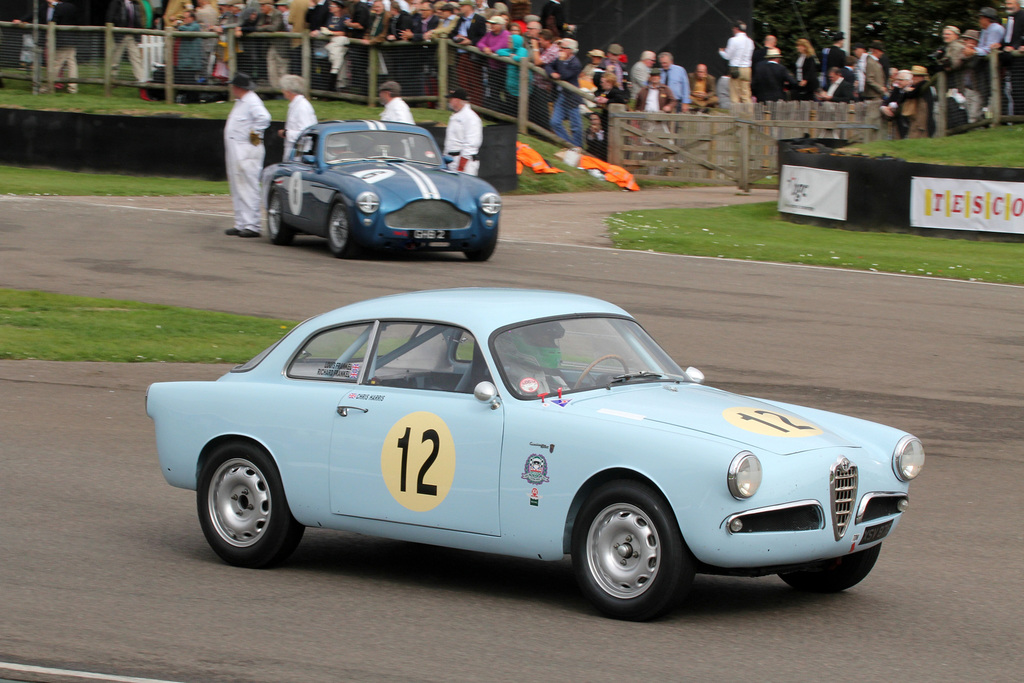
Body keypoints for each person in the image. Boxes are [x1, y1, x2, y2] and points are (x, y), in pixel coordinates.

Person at [224, 73, 272, 238]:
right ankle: (241, 223)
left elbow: (264, 118)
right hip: (236, 148)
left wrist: (253, 135)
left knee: (248, 185)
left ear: (238, 87)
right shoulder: (241, 102)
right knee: (237, 185)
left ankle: (252, 225)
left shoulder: (252, 101)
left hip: (246, 149)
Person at [14, 1, 80, 93]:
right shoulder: (46, 6)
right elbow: (33, 14)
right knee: (71, 62)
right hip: (70, 39)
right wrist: (21, 20)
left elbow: (54, 21)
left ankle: (49, 86)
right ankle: (73, 88)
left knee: (56, 63)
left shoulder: (62, 7)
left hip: (60, 40)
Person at [496, 321, 569, 396]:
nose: (551, 346)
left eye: (551, 341)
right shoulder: (506, 382)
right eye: (543, 341)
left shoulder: (555, 378)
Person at [546, 37, 584, 147]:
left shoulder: (575, 63)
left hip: (572, 97)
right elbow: (548, 66)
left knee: (576, 126)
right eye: (560, 47)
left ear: (570, 50)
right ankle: (568, 144)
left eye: (563, 48)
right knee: (554, 122)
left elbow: (564, 75)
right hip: (561, 95)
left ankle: (577, 148)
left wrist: (561, 62)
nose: (560, 50)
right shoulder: (559, 59)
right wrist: (552, 73)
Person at [444, 87, 483, 175]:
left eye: (451, 99)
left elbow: (471, 144)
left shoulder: (471, 118)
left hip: (465, 164)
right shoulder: (456, 115)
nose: (449, 101)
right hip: (452, 161)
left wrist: (461, 167)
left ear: (457, 100)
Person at [279, 74, 317, 159]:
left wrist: (286, 133)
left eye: (283, 89)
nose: (282, 91)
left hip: (300, 154)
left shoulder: (302, 107)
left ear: (288, 90)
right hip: (295, 151)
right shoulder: (296, 105)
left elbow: (306, 132)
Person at [719, 21, 754, 103]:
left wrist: (721, 51)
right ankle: (748, 113)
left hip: (736, 69)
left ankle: (736, 114)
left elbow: (727, 56)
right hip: (747, 69)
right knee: (746, 94)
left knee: (735, 94)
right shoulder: (750, 41)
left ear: (736, 29)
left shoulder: (733, 40)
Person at [902, 64, 935, 138]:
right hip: (916, 119)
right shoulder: (917, 86)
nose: (912, 78)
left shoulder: (923, 84)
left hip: (921, 121)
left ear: (920, 77)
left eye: (914, 76)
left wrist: (906, 91)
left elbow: (911, 95)